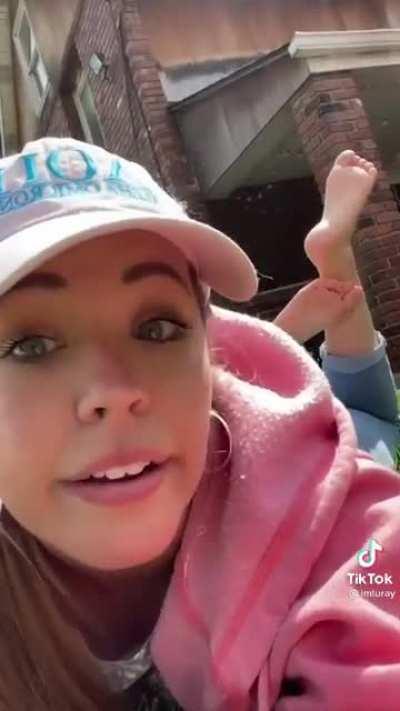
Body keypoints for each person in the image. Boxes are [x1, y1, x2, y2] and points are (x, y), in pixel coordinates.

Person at [0, 138, 400, 711]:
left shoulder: (352, 529)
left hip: (363, 431)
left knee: (370, 404)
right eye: (30, 345)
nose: (114, 392)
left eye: (158, 328)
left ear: (209, 349)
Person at [275, 150, 400, 469]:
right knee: (370, 414)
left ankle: (336, 255)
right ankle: (335, 255)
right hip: (356, 453)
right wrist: (282, 333)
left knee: (367, 412)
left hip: (329, 452)